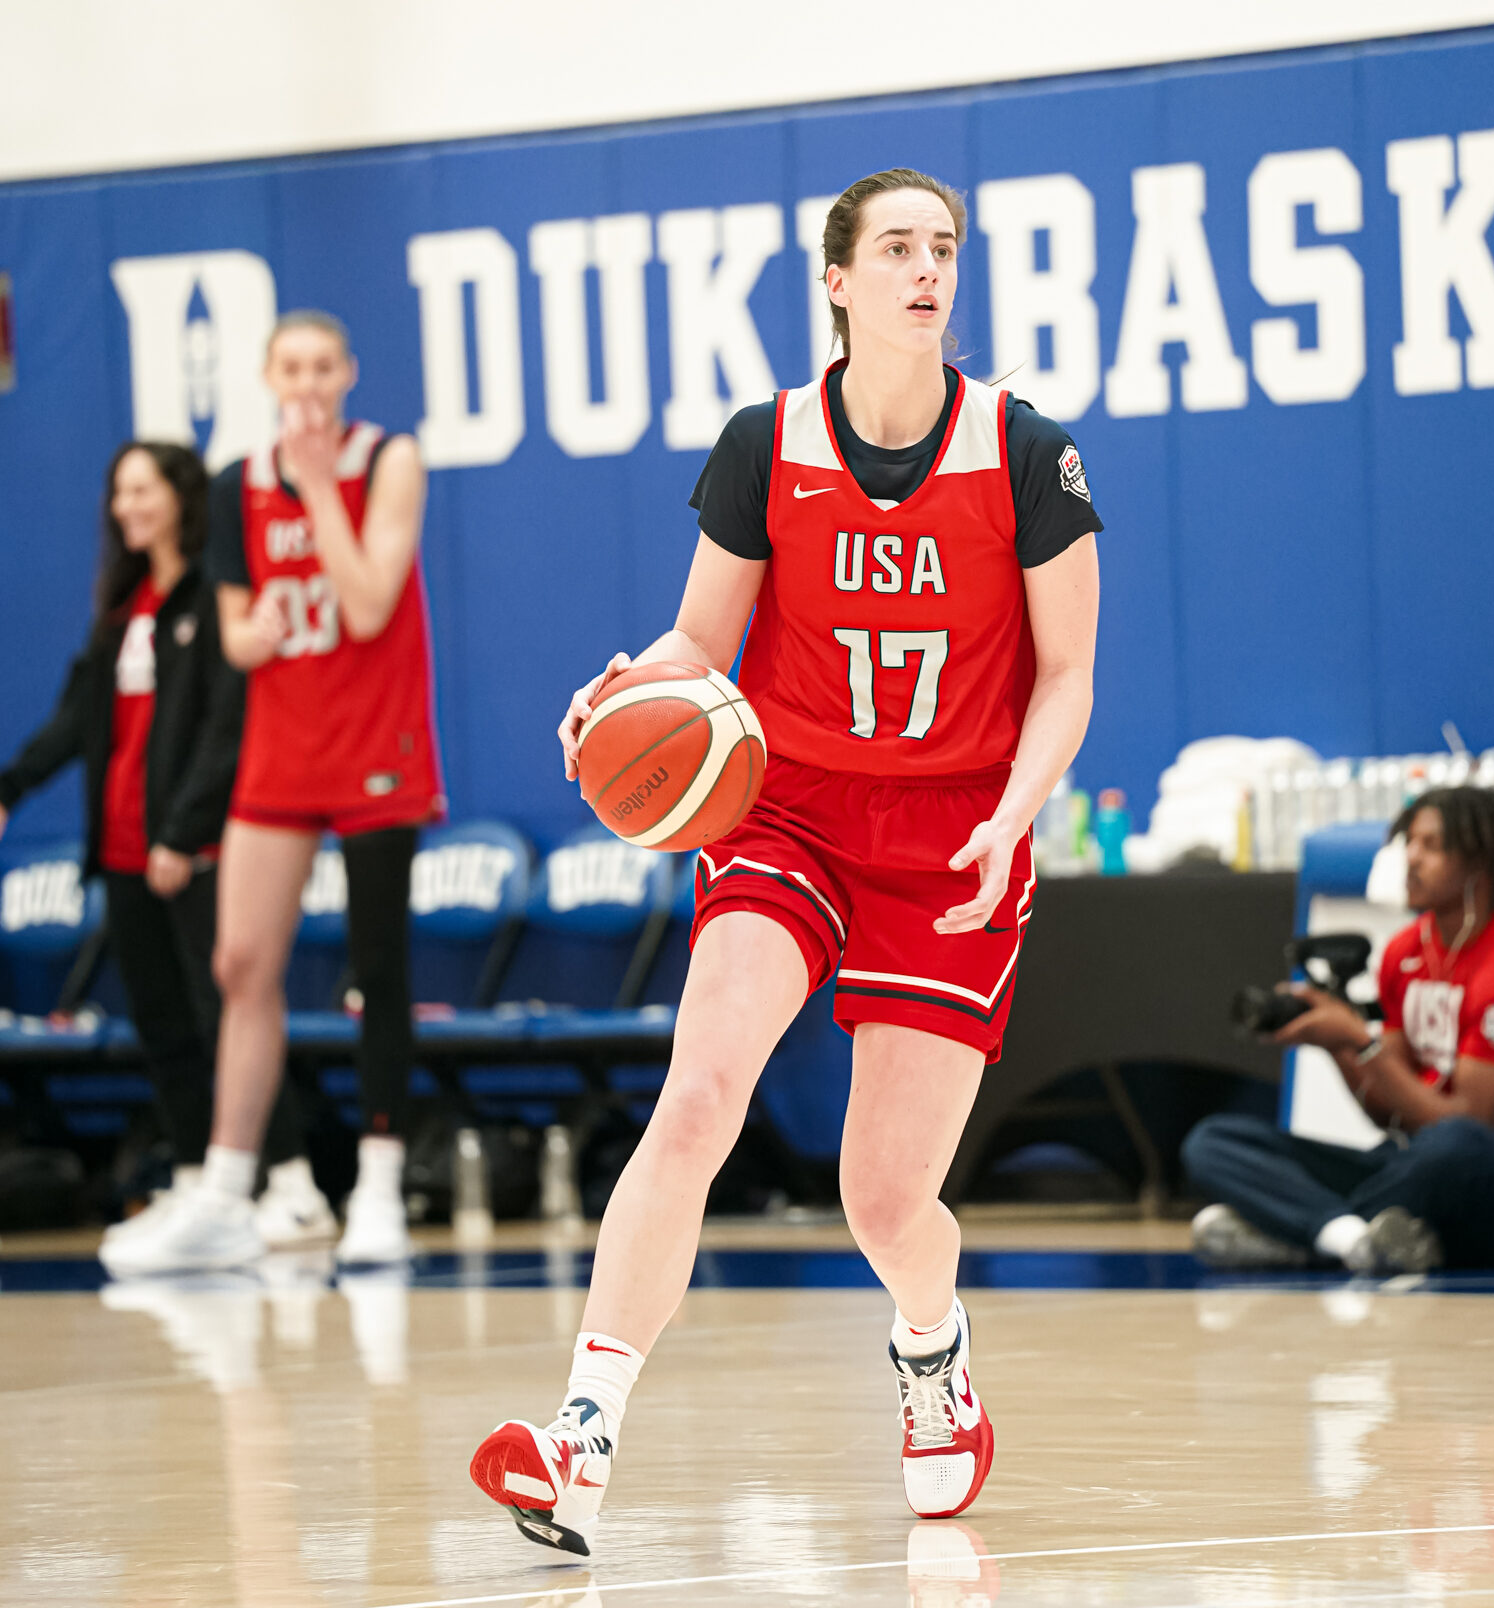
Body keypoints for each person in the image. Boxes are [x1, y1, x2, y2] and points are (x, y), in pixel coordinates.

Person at [468, 168, 1102, 1559]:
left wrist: (1016, 806)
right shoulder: (766, 443)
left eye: (942, 249)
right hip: (791, 816)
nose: (925, 271)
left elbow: (1065, 679)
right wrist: (628, 686)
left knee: (882, 1197)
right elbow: (700, 644)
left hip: (952, 840)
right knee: (696, 1100)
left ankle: (933, 1355)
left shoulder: (1025, 450)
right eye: (895, 249)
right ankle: (578, 1440)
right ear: (837, 280)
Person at [105, 310, 445, 1276]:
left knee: (377, 967)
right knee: (239, 962)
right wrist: (250, 625)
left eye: (322, 366)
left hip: (378, 734)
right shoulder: (229, 487)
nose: (305, 382)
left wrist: (314, 492)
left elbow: (371, 599)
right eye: (289, 366)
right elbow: (235, 633)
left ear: (347, 375)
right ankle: (226, 1186)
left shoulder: (389, 461)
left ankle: (377, 1184)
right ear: (265, 374)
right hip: (284, 744)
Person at [0, 442, 311, 1258]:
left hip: (195, 848)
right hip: (125, 852)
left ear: (179, 495)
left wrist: (185, 830)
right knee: (162, 1025)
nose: (127, 505)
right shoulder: (123, 607)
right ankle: (196, 1181)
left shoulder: (212, 597)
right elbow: (77, 721)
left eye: (142, 488)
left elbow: (225, 727)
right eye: (118, 492)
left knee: (228, 1005)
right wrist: (9, 789)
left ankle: (289, 1178)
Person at [1185, 786, 1494, 1274]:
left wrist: (1359, 1039)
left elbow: (1467, 1123)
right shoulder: (1405, 952)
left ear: (1483, 865)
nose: (1410, 858)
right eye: (1409, 842)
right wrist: (1335, 1044)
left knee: (1453, 1145)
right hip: (1415, 1165)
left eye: (1431, 846)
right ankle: (1352, 1238)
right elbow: (1388, 1115)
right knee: (1214, 1141)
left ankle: (1301, 1234)